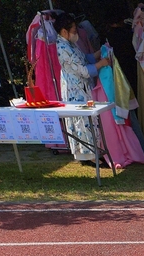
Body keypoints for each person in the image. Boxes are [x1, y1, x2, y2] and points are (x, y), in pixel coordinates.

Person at [54, 13, 110, 163]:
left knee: (88, 120)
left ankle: (93, 152)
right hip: (76, 89)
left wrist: (99, 54)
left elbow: (84, 58)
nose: (76, 33)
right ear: (64, 31)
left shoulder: (69, 44)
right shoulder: (63, 49)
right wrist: (101, 64)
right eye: (73, 30)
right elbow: (83, 70)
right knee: (82, 121)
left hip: (81, 87)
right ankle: (89, 155)